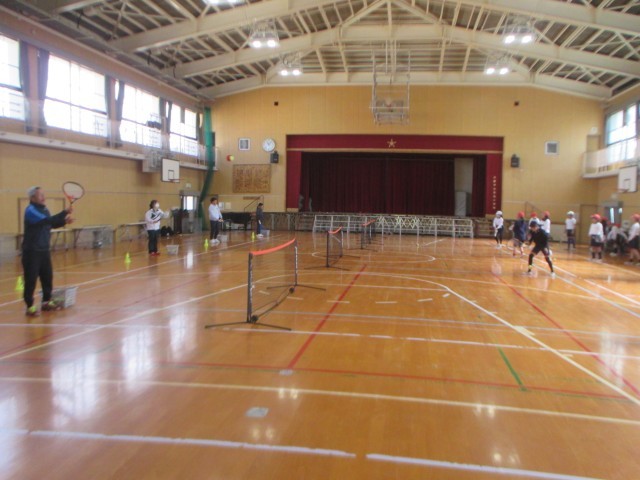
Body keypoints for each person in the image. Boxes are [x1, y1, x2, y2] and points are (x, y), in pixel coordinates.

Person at [22, 186, 74, 316]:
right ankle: (30, 306)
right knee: (31, 279)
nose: (43, 197)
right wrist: (64, 212)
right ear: (32, 197)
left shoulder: (44, 209)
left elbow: (51, 224)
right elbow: (47, 220)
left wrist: (64, 221)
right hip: (32, 251)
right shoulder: (31, 210)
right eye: (40, 195)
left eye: (43, 194)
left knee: (47, 277)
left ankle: (46, 302)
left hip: (44, 249)